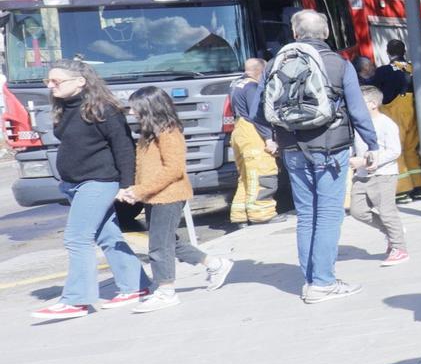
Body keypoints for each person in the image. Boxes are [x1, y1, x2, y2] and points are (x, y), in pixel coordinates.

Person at [266, 9, 378, 303]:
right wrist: (372, 143)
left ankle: (311, 279)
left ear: (294, 33)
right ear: (326, 34)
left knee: (306, 215)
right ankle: (323, 283)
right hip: (331, 148)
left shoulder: (275, 63)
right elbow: (357, 109)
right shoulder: (339, 64)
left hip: (292, 148)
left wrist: (272, 137)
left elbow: (257, 111)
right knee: (328, 215)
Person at [31, 60, 146, 321]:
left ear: (80, 81)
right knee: (107, 235)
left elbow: (124, 148)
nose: (50, 86)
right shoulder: (64, 107)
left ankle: (76, 299)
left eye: (56, 81)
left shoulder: (105, 110)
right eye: (47, 82)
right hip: (74, 183)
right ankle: (135, 286)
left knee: (77, 238)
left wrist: (127, 185)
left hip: (99, 181)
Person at [119, 86, 234, 313]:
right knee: (169, 242)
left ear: (150, 107)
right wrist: (136, 189)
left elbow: (173, 169)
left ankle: (166, 291)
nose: (132, 113)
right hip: (154, 196)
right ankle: (216, 264)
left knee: (159, 246)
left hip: (168, 196)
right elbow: (146, 168)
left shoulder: (169, 133)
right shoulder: (149, 133)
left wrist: (141, 191)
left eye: (135, 108)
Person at [350, 86, 409, 265]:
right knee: (357, 211)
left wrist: (366, 161)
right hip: (361, 175)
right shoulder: (359, 124)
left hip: (383, 174)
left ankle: (400, 248)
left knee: (387, 212)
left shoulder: (386, 124)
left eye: (360, 102)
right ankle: (391, 231)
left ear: (373, 104)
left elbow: (394, 151)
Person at [228, 57, 280, 224]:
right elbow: (256, 116)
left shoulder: (236, 85)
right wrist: (268, 139)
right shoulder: (252, 87)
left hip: (239, 133)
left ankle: (240, 216)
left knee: (246, 177)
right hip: (251, 134)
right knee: (262, 173)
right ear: (260, 71)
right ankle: (262, 214)